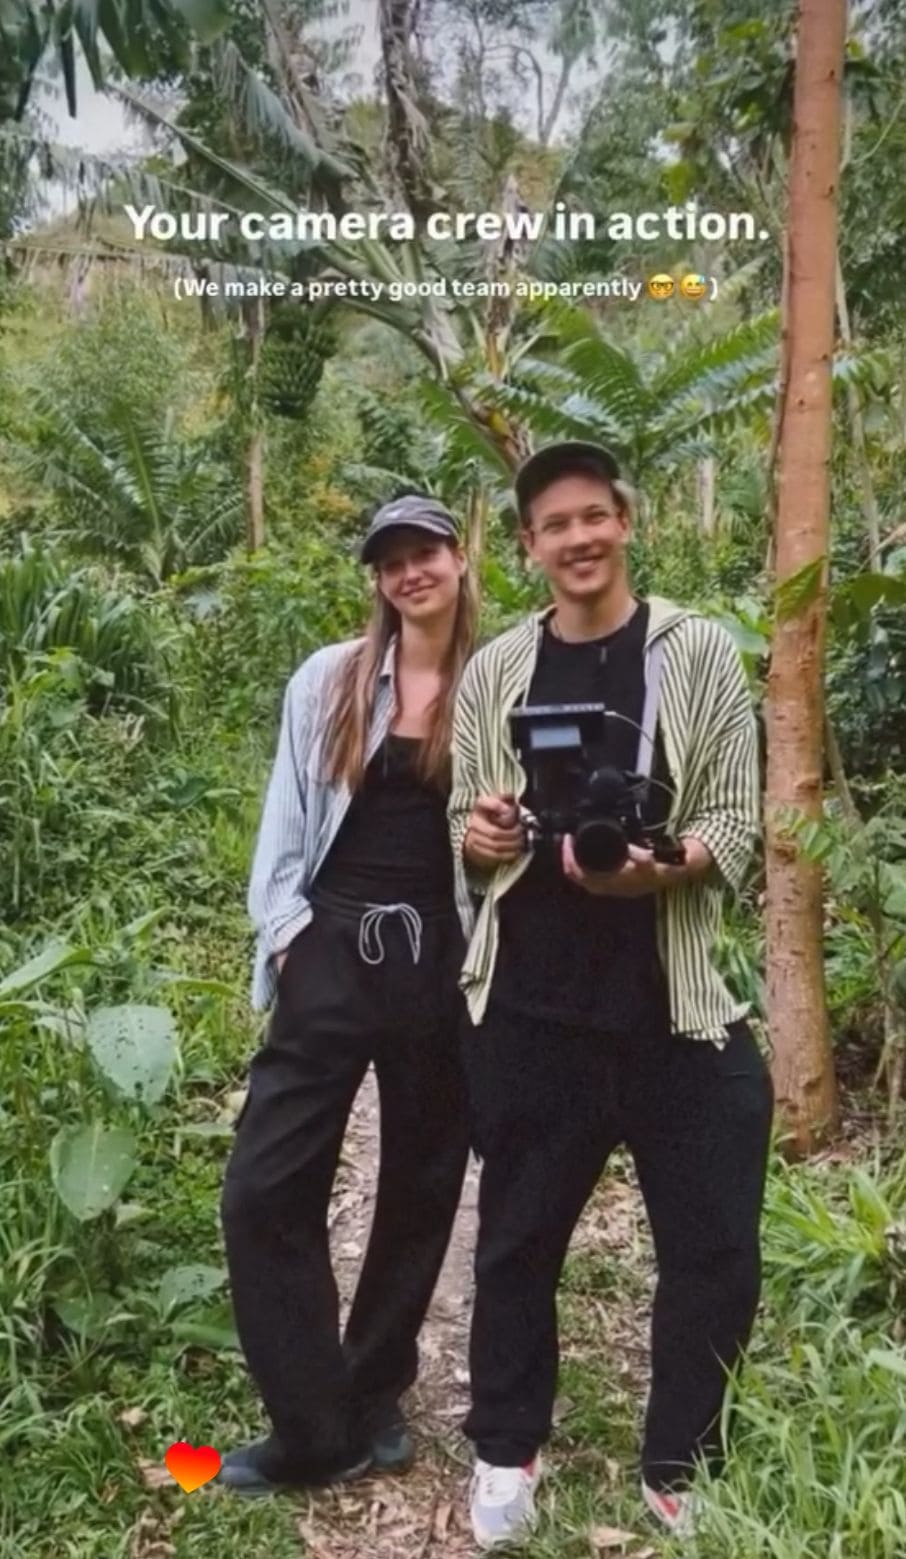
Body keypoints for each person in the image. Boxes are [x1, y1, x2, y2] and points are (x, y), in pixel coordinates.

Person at [447, 442, 774, 1548]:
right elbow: (467, 820)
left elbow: (736, 818)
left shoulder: (698, 652)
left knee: (716, 1245)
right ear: (529, 544)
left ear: (625, 523)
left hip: (675, 1004)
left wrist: (661, 862)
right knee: (516, 1240)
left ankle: (680, 1460)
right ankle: (506, 1445)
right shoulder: (497, 668)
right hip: (535, 1009)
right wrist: (485, 832)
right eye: (555, 524)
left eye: (595, 515)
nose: (578, 538)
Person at [220, 494, 476, 1495]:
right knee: (264, 1185)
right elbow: (287, 811)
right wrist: (285, 935)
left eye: (427, 552)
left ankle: (374, 1388)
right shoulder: (329, 678)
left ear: (461, 558)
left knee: (421, 1182)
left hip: (441, 961)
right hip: (329, 947)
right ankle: (310, 1418)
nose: (411, 571)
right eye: (392, 559)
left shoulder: (493, 680)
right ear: (376, 576)